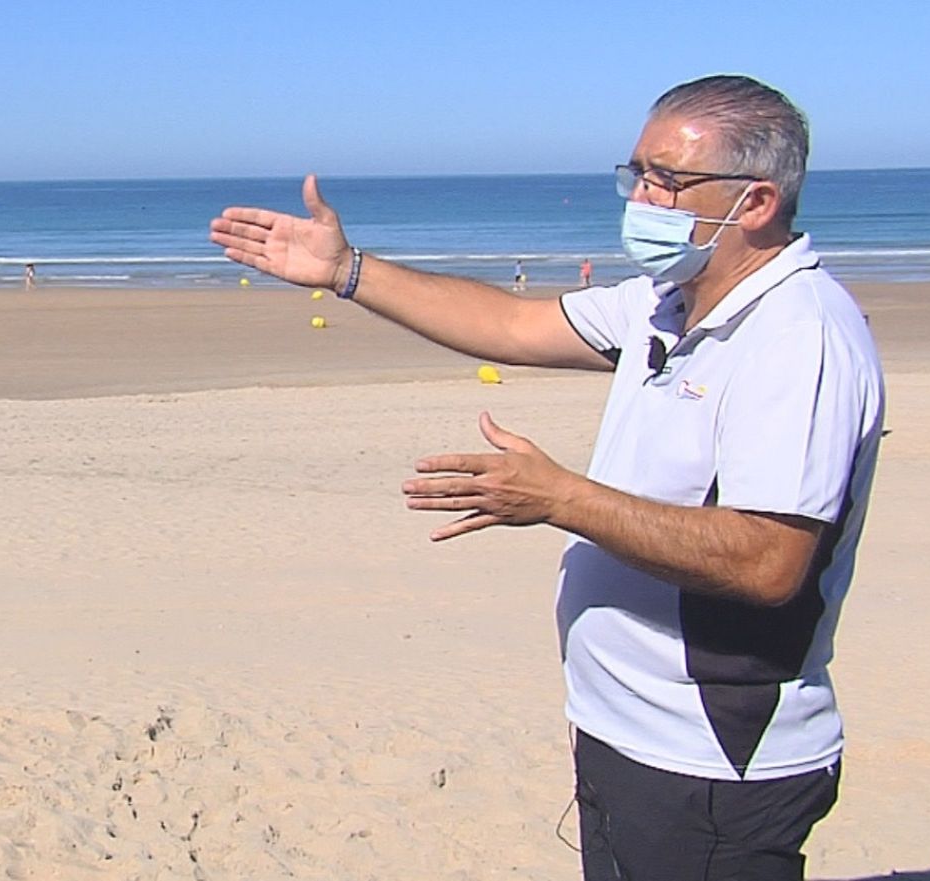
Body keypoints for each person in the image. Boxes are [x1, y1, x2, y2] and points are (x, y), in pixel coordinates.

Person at [210, 74, 882, 881]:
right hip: (623, 730)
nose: (643, 195)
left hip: (712, 756)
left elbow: (767, 559)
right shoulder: (666, 303)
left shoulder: (797, 336)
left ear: (756, 202)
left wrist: (562, 497)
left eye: (668, 179)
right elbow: (513, 323)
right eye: (637, 172)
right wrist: (348, 270)